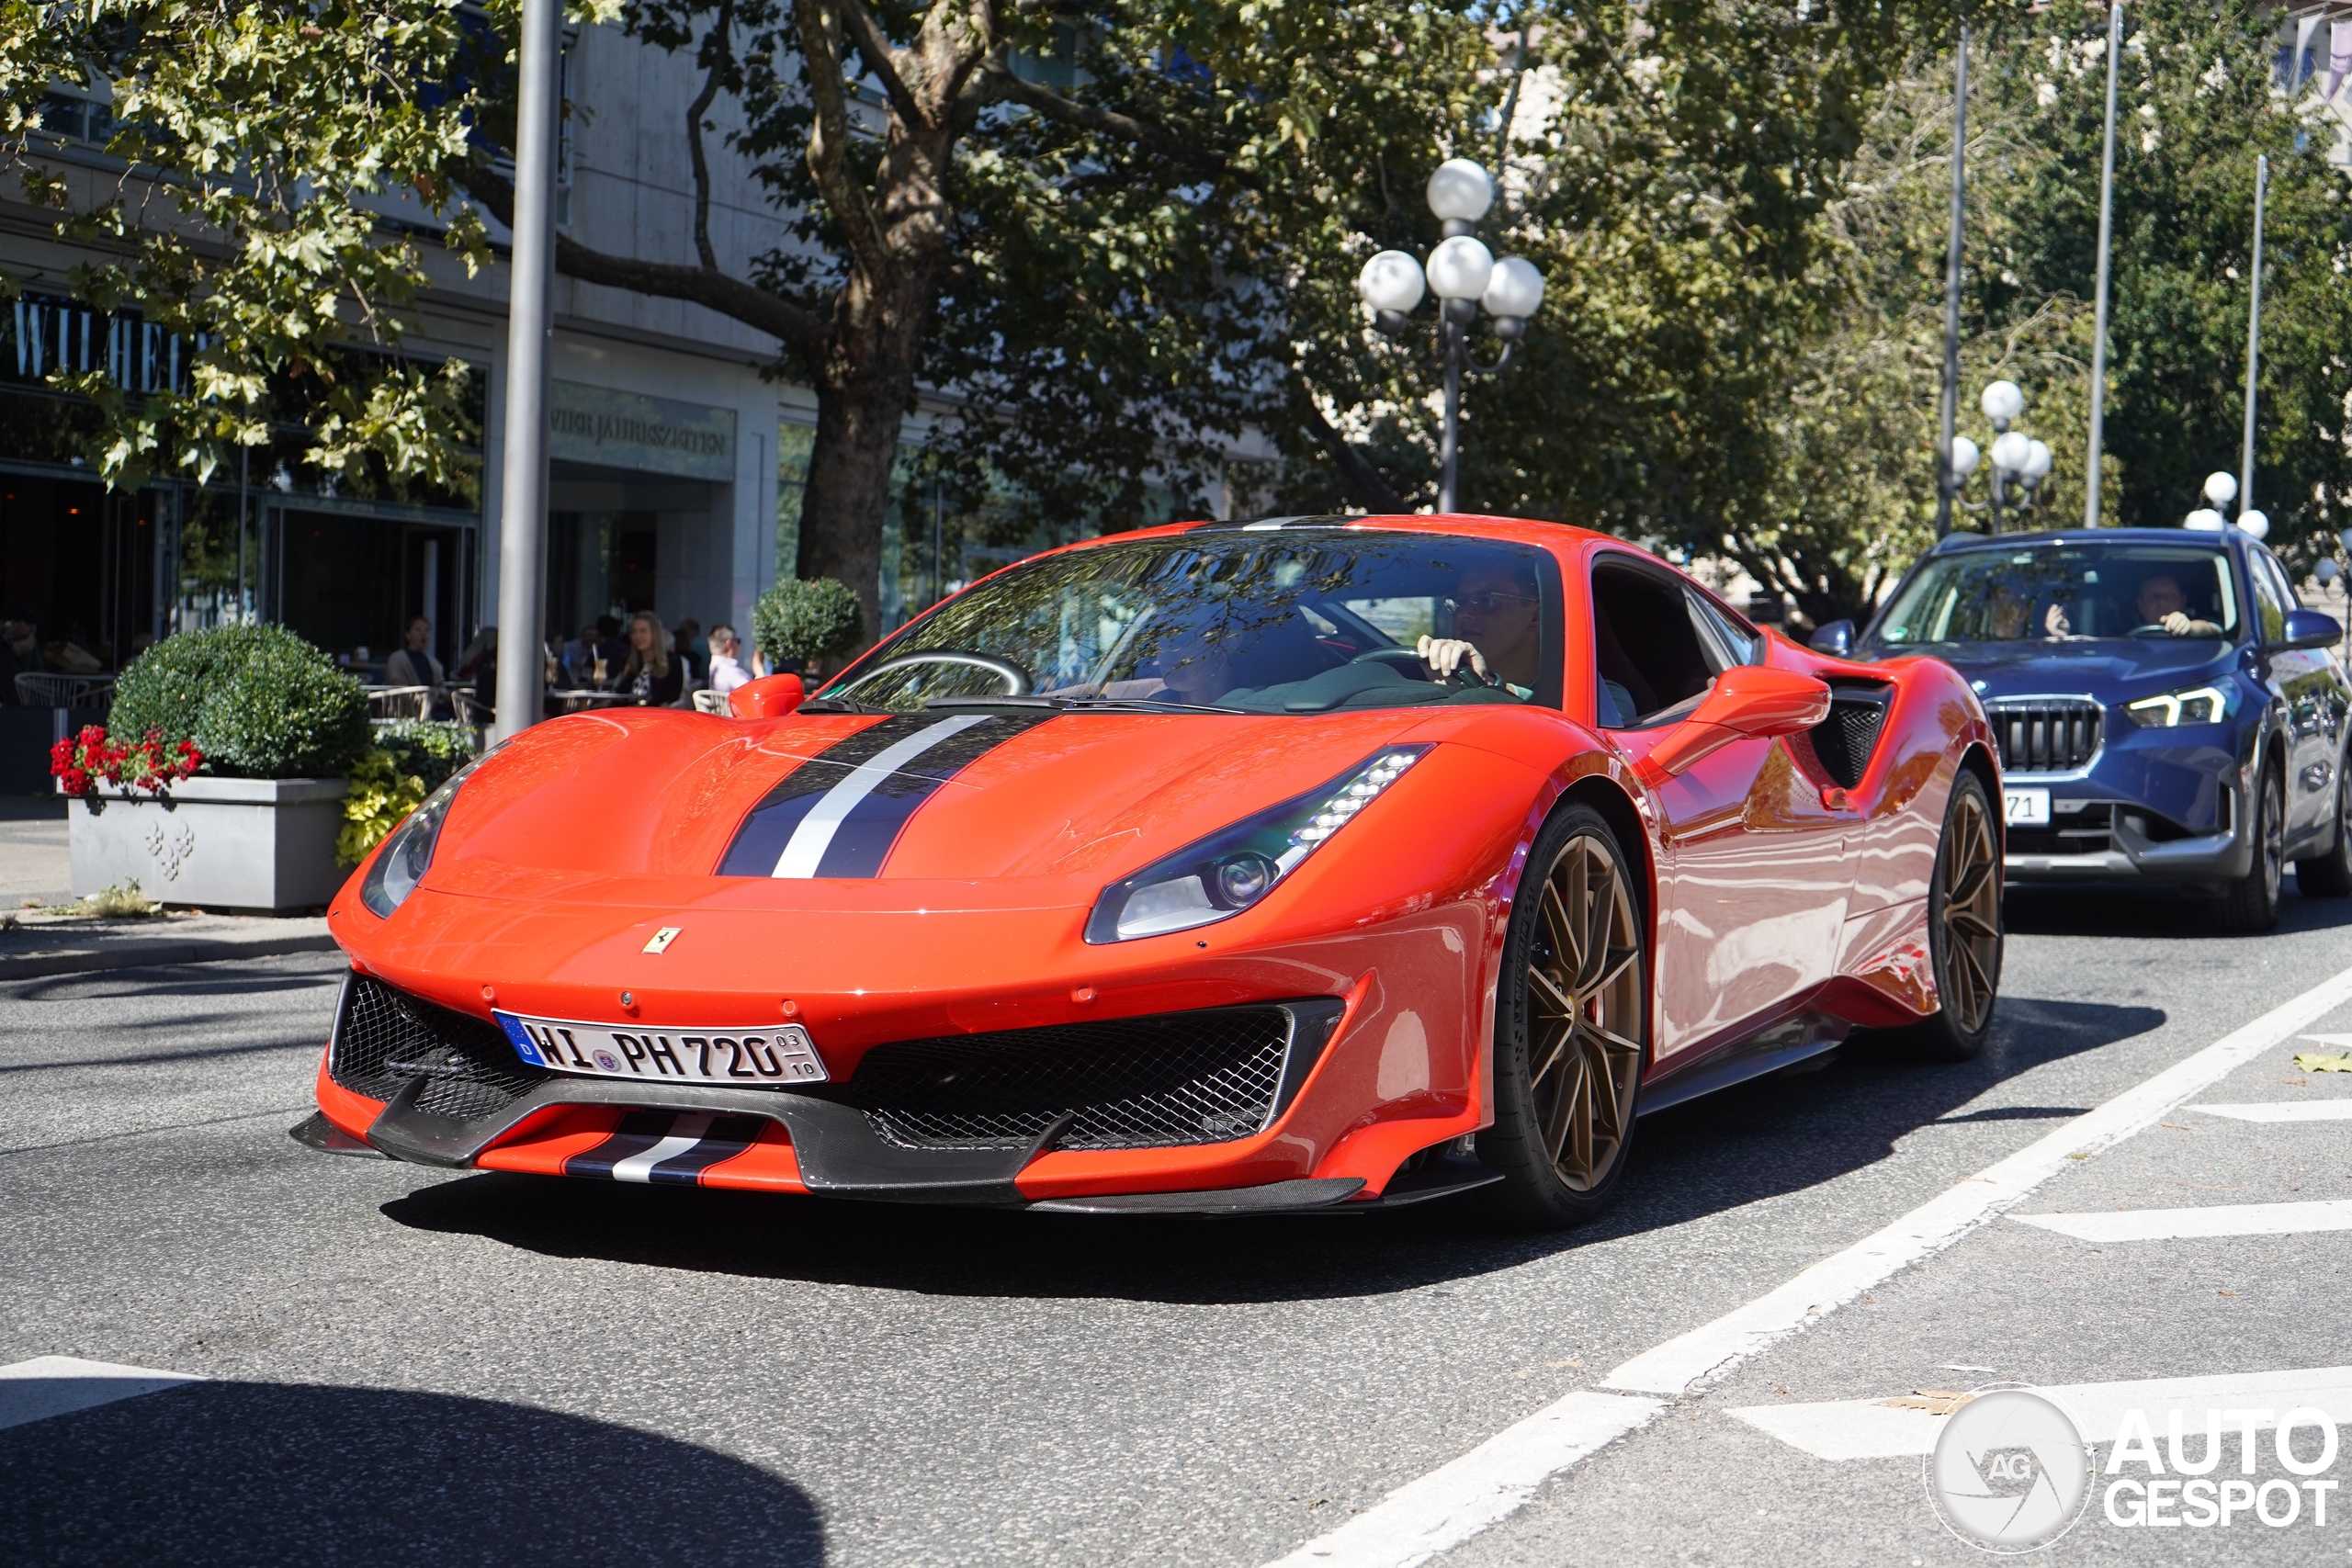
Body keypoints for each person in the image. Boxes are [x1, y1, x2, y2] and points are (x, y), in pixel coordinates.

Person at [1416, 564, 1544, 698]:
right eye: (1459, 600)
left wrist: (1489, 686)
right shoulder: (1436, 678)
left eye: (1485, 600)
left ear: (1535, 616)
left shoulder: (1565, 683)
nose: (1463, 614)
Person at [615, 610, 684, 706]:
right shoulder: (629, 661)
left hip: (656, 717)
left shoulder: (672, 662)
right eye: (634, 632)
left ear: (654, 634)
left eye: (643, 631)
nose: (637, 636)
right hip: (626, 717)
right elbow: (619, 695)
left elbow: (672, 698)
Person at [2136, 572, 2223, 637]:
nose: (2161, 602)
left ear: (2182, 601)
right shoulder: (2125, 635)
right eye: (2154, 597)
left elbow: (2213, 629)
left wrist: (2190, 628)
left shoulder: (2192, 624)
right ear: (2141, 605)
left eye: (2169, 596)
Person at [383, 616, 445, 692]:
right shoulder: (397, 659)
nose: (423, 633)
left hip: (432, 702)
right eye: (418, 630)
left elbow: (440, 688)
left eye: (427, 630)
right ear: (408, 635)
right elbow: (397, 686)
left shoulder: (434, 663)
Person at [707, 624, 753, 696]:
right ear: (730, 644)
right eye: (738, 641)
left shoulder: (714, 666)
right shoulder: (728, 670)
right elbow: (753, 692)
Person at [560, 621, 602, 687]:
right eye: (589, 636)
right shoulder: (569, 647)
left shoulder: (598, 648)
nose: (592, 639)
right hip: (571, 683)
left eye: (595, 636)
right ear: (581, 636)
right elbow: (565, 666)